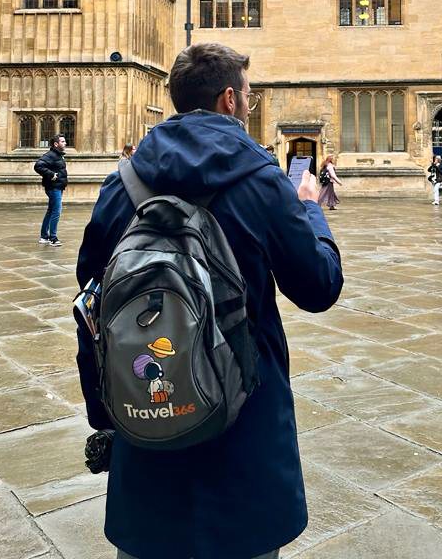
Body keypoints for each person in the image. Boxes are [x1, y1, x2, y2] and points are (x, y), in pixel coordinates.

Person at [75, 42, 343, 559]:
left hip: (147, 411)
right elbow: (318, 287)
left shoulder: (123, 183)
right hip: (243, 423)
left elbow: (91, 302)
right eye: (249, 96)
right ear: (229, 100)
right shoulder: (263, 181)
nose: (250, 104)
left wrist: (105, 416)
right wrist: (311, 209)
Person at [34, 134, 67, 247]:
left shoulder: (58, 155)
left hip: (58, 186)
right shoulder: (51, 155)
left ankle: (44, 236)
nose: (65, 143)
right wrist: (51, 174)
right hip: (53, 187)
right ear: (56, 144)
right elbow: (38, 166)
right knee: (56, 211)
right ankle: (53, 238)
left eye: (64, 141)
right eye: (62, 141)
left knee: (51, 211)